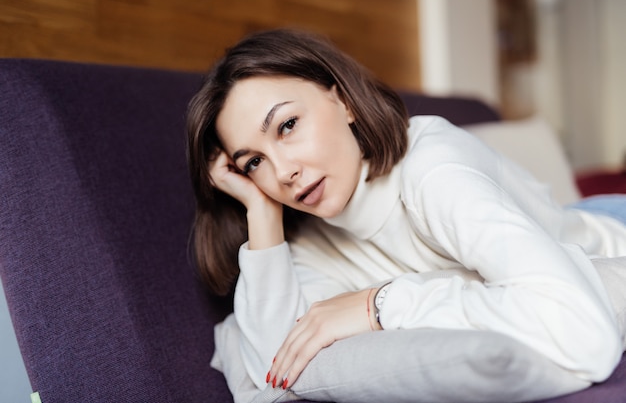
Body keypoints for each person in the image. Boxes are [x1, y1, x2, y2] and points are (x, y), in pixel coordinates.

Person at [186, 28, 626, 395]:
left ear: (344, 103)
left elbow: (585, 335)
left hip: (608, 227)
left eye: (287, 125)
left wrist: (378, 305)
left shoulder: (432, 170)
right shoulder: (311, 237)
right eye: (253, 162)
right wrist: (261, 212)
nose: (283, 172)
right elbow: (277, 369)